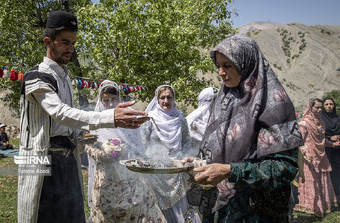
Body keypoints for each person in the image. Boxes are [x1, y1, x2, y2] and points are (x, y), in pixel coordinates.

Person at [17, 11, 149, 223]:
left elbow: (71, 122)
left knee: (73, 214)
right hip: (41, 158)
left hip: (68, 158)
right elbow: (60, 113)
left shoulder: (65, 78)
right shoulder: (37, 76)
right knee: (43, 214)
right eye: (65, 43)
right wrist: (109, 117)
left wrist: (89, 136)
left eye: (73, 43)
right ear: (48, 42)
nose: (71, 49)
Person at [183, 34, 303, 222]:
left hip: (255, 211)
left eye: (227, 65)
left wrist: (231, 171)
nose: (221, 72)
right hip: (220, 209)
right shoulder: (223, 100)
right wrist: (200, 162)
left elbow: (285, 168)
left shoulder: (274, 103)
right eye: (218, 66)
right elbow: (219, 149)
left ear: (246, 63)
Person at [85, 80, 165, 223]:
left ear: (119, 99)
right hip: (106, 182)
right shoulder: (95, 122)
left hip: (130, 181)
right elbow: (87, 146)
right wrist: (102, 154)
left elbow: (138, 148)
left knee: (136, 214)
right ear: (100, 100)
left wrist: (127, 150)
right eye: (106, 100)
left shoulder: (128, 121)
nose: (110, 104)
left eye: (113, 100)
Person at [141, 85, 201, 223]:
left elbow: (186, 143)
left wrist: (181, 161)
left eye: (169, 97)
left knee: (180, 207)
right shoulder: (150, 119)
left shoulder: (181, 120)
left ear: (174, 99)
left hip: (176, 172)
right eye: (162, 97)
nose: (166, 101)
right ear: (157, 100)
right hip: (155, 174)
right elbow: (143, 144)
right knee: (158, 209)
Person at [295, 98, 337, 217]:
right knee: (312, 182)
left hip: (321, 155)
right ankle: (311, 208)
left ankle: (322, 207)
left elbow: (321, 140)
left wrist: (332, 144)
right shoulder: (304, 124)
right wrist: (306, 152)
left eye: (320, 107)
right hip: (309, 158)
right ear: (310, 108)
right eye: (316, 107)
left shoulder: (321, 123)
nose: (319, 110)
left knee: (322, 181)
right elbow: (299, 141)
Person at [322, 98, 340, 202]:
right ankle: (331, 199)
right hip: (327, 150)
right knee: (330, 174)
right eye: (326, 104)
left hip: (338, 150)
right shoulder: (321, 120)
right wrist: (330, 138)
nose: (329, 106)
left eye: (331, 104)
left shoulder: (338, 118)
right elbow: (319, 135)